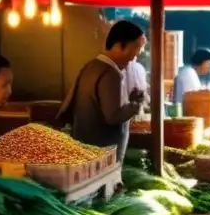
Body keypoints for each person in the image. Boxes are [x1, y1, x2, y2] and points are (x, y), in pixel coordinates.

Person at [56, 20, 145, 161]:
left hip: (86, 149)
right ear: (120, 45)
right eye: (137, 47)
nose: (138, 53)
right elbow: (112, 116)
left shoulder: (91, 66)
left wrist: (131, 102)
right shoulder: (110, 74)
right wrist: (136, 106)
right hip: (101, 156)